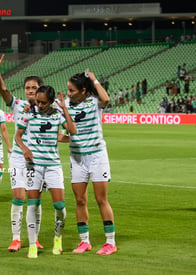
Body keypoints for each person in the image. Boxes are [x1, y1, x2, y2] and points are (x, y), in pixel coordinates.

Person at [15, 86, 76, 258]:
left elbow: (71, 131)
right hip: (33, 165)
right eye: (38, 101)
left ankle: (58, 238)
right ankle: (33, 245)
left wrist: (64, 108)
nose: (40, 105)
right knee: (32, 204)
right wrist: (24, 149)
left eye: (43, 102)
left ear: (50, 101)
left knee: (60, 206)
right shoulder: (28, 113)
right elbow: (17, 136)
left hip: (53, 166)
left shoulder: (57, 114)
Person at [0, 54, 44, 252]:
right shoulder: (18, 105)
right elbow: (2, 89)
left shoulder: (48, 108)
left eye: (34, 88)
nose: (30, 91)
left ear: (40, 89)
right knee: (18, 197)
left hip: (38, 159)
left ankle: (35, 238)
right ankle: (16, 238)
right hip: (17, 158)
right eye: (28, 88)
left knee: (35, 199)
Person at [64, 72, 117, 255]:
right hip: (77, 158)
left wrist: (94, 79)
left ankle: (110, 242)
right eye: (68, 90)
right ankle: (84, 241)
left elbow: (106, 99)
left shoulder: (93, 102)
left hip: (97, 157)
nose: (69, 93)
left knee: (101, 199)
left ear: (83, 90)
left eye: (72, 90)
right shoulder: (66, 106)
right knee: (80, 200)